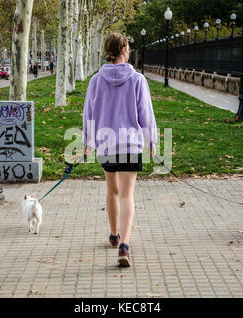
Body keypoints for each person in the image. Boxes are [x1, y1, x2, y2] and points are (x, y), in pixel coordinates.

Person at [82, 33, 157, 268]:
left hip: (106, 143)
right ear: (124, 50)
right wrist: (151, 141)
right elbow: (145, 112)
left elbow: (89, 113)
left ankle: (114, 235)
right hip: (130, 144)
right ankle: (125, 243)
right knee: (127, 195)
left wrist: (87, 141)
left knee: (112, 190)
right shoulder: (137, 80)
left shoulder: (96, 81)